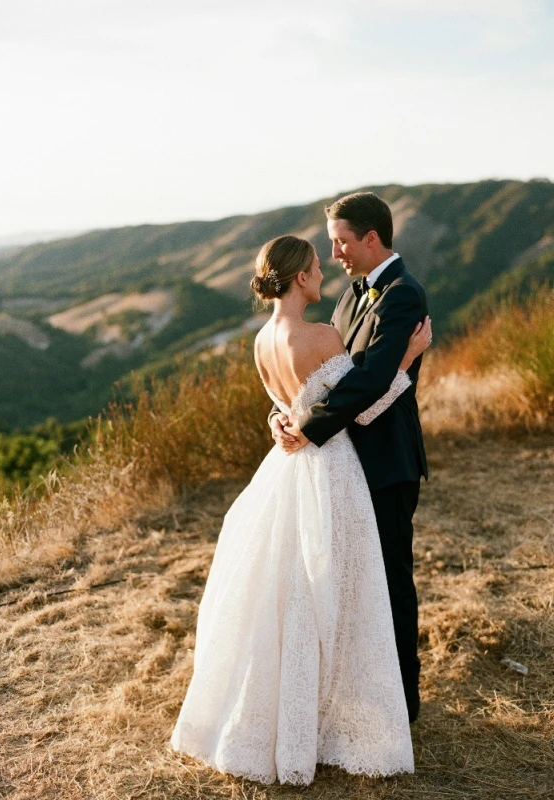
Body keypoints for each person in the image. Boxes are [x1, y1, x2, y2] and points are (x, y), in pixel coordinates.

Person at [171, 234, 431, 785]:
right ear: (298, 278)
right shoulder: (322, 336)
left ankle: (287, 713)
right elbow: (359, 410)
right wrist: (405, 359)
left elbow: (284, 409)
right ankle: (335, 715)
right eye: (315, 266)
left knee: (289, 588)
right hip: (332, 471)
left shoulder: (263, 341)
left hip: (286, 468)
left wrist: (281, 424)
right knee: (338, 592)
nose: (323, 273)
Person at [272, 192, 429, 724]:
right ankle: (356, 695)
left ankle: (402, 705)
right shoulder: (344, 300)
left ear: (371, 238)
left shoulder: (404, 295)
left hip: (385, 461)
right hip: (342, 463)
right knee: (347, 583)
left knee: (389, 580)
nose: (333, 251)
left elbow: (370, 380)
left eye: (341, 241)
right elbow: (316, 377)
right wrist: (288, 417)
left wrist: (307, 428)